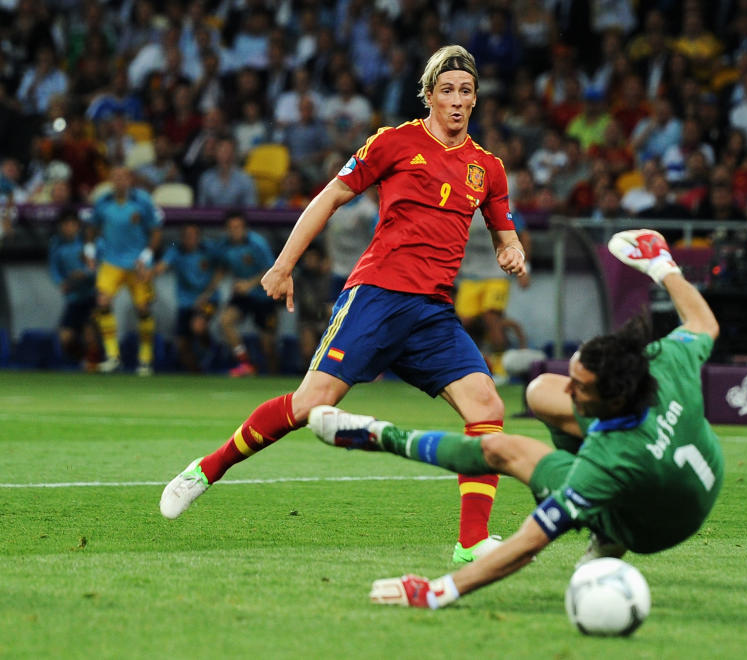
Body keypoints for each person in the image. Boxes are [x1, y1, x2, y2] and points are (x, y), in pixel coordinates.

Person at [160, 45, 527, 565]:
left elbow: (504, 232)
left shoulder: (487, 168)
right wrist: (283, 265)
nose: (457, 100)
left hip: (432, 314)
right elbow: (328, 197)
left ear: (475, 99)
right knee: (309, 405)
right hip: (376, 297)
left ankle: (470, 543)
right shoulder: (394, 142)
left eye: (466, 91)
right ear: (428, 96)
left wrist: (511, 250)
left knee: (487, 407)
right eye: (446, 90)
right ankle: (207, 469)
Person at [307, 229, 723, 609]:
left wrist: (437, 591)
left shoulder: (605, 466)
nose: (571, 390)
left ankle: (378, 435)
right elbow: (703, 323)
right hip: (696, 473)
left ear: (612, 398)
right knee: (540, 392)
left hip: (652, 528)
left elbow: (526, 544)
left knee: (499, 449)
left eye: (580, 388)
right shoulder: (664, 362)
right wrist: (661, 265)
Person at [85, 166, 164, 375]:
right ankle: (113, 357)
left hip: (136, 263)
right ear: (111, 180)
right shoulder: (103, 202)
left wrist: (146, 257)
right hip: (111, 261)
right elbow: (92, 228)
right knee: (102, 301)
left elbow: (155, 231)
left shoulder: (143, 201)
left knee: (143, 308)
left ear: (130, 180)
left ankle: (145, 360)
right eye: (115, 177)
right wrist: (90, 250)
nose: (119, 181)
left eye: (123, 177)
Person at [455, 208, 531, 382]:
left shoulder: (503, 205)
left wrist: (524, 266)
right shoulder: (461, 203)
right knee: (463, 323)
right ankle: (468, 368)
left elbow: (523, 235)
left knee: (491, 319)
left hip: (497, 274)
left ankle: (500, 370)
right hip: (470, 275)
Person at [215, 211, 278, 377]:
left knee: (268, 345)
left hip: (265, 295)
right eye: (231, 227)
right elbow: (222, 267)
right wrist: (209, 291)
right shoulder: (224, 245)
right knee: (225, 321)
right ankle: (245, 363)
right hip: (243, 295)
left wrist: (249, 284)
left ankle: (274, 377)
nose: (234, 230)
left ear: (244, 227)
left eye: (238, 227)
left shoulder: (258, 243)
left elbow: (271, 269)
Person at [153, 224, 222, 372]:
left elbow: (221, 269)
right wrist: (147, 273)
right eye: (186, 236)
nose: (190, 239)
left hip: (208, 299)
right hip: (185, 302)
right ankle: (197, 374)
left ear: (199, 236)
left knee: (198, 326)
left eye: (193, 235)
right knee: (182, 345)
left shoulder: (209, 249)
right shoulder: (176, 251)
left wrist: (207, 293)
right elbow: (161, 267)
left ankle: (213, 349)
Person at [48, 209, 100, 369]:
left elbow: (97, 269)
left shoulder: (86, 243)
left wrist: (84, 274)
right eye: (66, 224)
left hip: (90, 296)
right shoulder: (56, 244)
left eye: (72, 224)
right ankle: (81, 362)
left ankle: (93, 366)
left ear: (78, 226)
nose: (69, 227)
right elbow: (54, 269)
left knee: (90, 334)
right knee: (65, 338)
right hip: (73, 299)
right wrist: (61, 283)